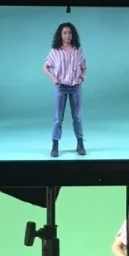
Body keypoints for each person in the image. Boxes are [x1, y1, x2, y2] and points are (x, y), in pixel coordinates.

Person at [43, 21, 87, 157]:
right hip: (60, 88)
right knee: (58, 118)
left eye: (70, 33)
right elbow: (45, 67)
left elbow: (84, 67)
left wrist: (81, 78)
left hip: (75, 88)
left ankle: (80, 144)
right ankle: (55, 145)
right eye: (65, 33)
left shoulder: (78, 50)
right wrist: (53, 78)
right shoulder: (55, 51)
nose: (67, 35)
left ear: (73, 35)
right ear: (60, 35)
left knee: (77, 117)